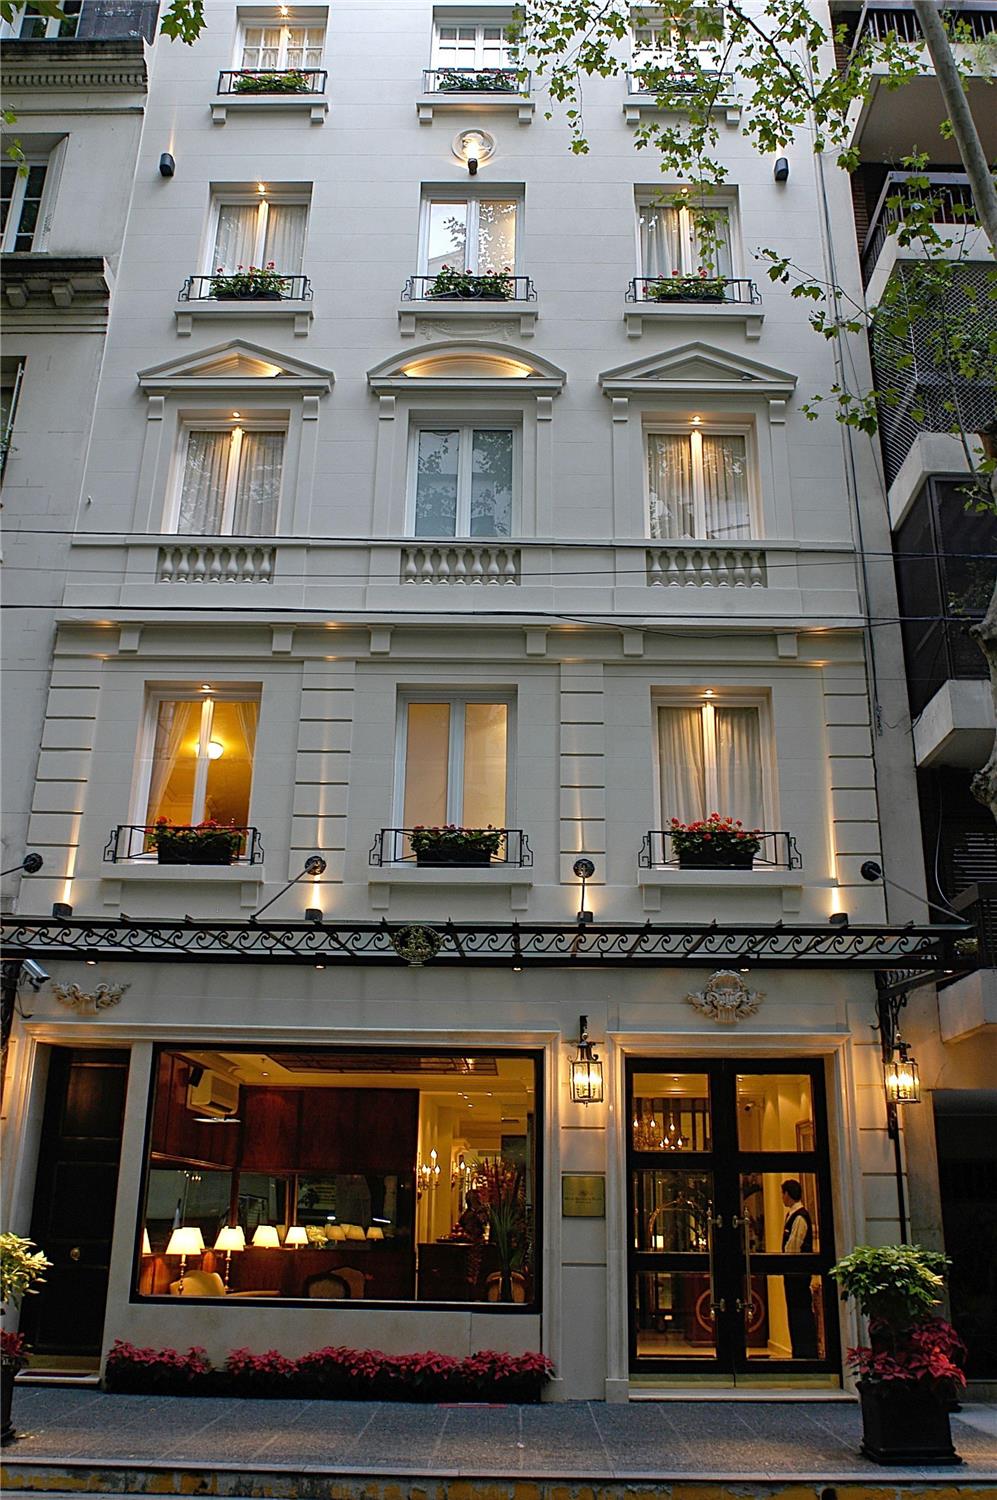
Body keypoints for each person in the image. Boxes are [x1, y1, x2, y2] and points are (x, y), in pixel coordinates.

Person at [781, 1178, 819, 1359]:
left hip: (797, 1275)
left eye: (783, 1194)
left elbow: (793, 1246)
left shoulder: (800, 1216)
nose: (782, 1198)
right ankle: (799, 1350)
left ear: (788, 1194)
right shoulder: (793, 1215)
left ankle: (805, 1352)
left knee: (800, 1312)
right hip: (794, 1274)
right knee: (795, 1312)